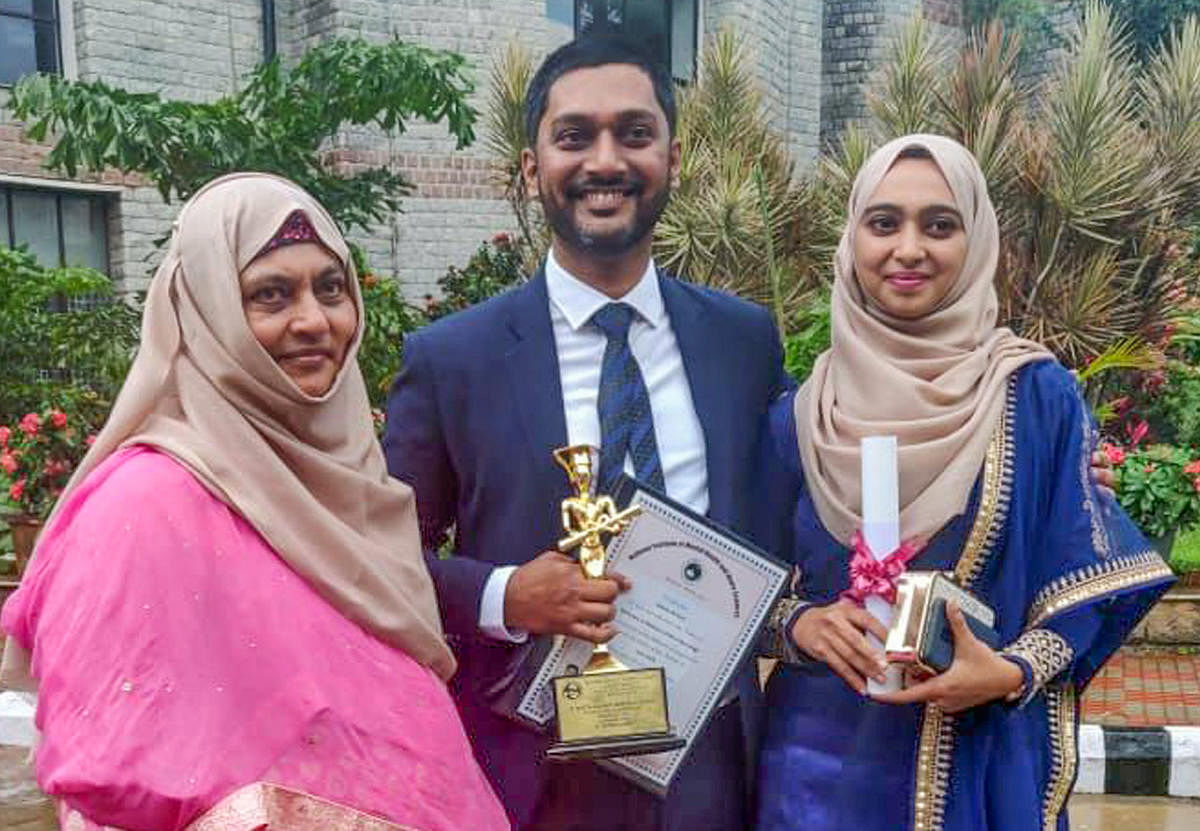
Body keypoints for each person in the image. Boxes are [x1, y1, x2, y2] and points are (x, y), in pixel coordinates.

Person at [0, 173, 509, 831]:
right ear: (204, 311)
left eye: (331, 288)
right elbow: (117, 777)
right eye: (271, 294)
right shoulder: (142, 505)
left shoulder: (351, 483)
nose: (314, 320)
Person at [383, 33, 790, 831]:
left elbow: (815, 487)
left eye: (634, 134)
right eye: (574, 137)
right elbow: (379, 556)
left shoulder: (743, 342)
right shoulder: (451, 359)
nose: (605, 160)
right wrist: (506, 595)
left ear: (672, 159)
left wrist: (1022, 431)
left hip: (706, 765)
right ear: (533, 167)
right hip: (529, 768)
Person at [753, 134, 1175, 830]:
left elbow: (1081, 586)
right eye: (884, 222)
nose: (909, 248)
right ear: (852, 237)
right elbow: (747, 584)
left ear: (976, 240)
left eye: (940, 225)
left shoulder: (1035, 396)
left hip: (977, 773)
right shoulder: (798, 416)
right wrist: (801, 623)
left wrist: (1007, 673)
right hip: (812, 780)